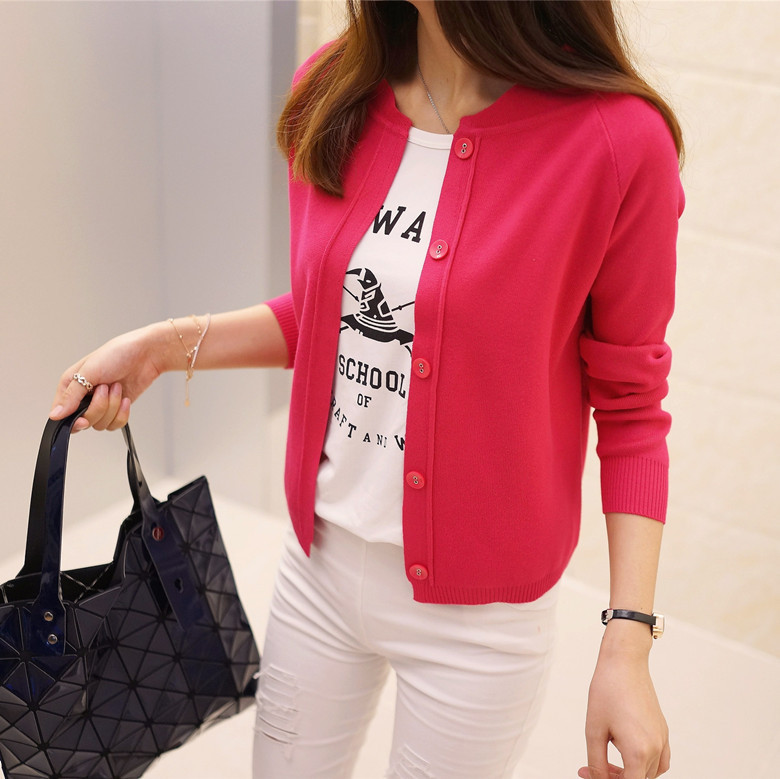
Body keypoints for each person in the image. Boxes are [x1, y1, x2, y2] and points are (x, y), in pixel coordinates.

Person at [49, 2, 684, 777]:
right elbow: (334, 319)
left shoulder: (616, 143)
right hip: (318, 568)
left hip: (478, 627)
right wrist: (161, 347)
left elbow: (631, 408)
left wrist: (627, 641)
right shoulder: (334, 89)